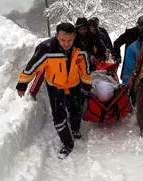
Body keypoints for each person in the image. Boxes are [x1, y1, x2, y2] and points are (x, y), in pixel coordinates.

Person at [16, 23, 92, 158]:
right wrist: (22, 83)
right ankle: (67, 143)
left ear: (74, 36)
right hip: (55, 87)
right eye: (63, 40)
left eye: (70, 40)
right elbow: (33, 66)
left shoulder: (80, 48)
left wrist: (87, 83)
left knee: (76, 110)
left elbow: (85, 68)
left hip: (74, 85)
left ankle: (75, 129)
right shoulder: (46, 49)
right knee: (58, 116)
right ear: (57, 35)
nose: (66, 44)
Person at [112, 15, 143, 84]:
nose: (142, 27)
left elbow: (117, 43)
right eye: (141, 25)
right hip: (135, 65)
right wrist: (117, 56)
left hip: (142, 65)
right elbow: (117, 43)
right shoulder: (131, 33)